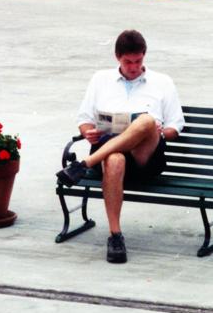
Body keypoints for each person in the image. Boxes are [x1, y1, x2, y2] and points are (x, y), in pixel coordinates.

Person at [57, 30, 185, 264]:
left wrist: (159, 131)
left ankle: (83, 165)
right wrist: (88, 132)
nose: (134, 67)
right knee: (115, 159)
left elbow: (175, 127)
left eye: (138, 61)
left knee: (146, 121)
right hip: (109, 153)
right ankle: (115, 236)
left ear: (144, 55)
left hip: (145, 156)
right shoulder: (100, 79)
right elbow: (84, 119)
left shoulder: (163, 82)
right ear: (117, 57)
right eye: (128, 62)